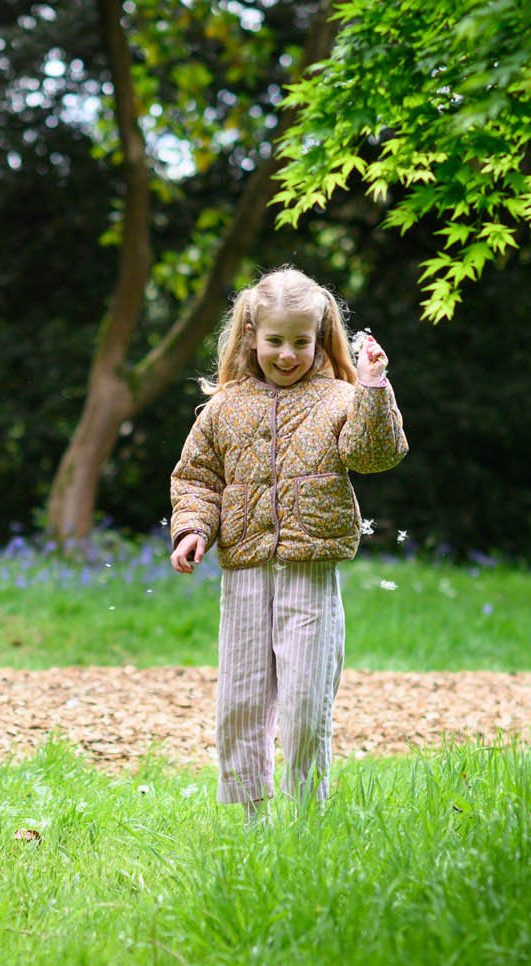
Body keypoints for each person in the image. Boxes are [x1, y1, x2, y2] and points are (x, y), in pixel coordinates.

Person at [169, 266, 408, 820]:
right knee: (242, 702)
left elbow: (375, 455)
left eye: (300, 342)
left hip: (310, 574)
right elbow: (197, 479)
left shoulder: (339, 399)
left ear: (319, 337)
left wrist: (372, 387)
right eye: (274, 341)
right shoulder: (224, 409)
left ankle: (308, 816)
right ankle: (252, 818)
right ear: (251, 335)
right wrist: (192, 529)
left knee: (305, 705)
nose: (286, 354)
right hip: (246, 574)